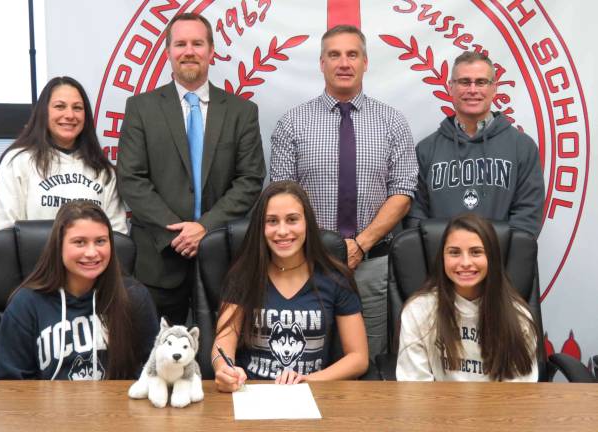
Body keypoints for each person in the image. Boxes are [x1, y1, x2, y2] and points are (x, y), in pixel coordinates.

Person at [270, 25, 418, 361]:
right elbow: (279, 198)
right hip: (306, 263)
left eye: (352, 54)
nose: (344, 62)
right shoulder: (292, 123)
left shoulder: (392, 122)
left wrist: (360, 245)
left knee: (369, 359)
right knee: (305, 358)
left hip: (371, 264)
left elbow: (403, 192)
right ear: (321, 63)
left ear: (366, 62)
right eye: (334, 55)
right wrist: (322, 249)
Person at [117, 13, 265, 325]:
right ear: (168, 52)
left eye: (197, 43)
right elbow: (131, 179)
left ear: (212, 51)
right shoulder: (140, 108)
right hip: (158, 259)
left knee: (222, 359)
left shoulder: (242, 112)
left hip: (224, 258)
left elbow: (250, 180)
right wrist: (177, 232)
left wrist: (204, 228)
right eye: (180, 43)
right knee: (157, 359)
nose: (189, 51)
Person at [213, 181, 369, 392]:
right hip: (251, 393)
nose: (283, 231)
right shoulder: (243, 276)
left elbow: (358, 358)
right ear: (261, 226)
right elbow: (223, 343)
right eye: (272, 221)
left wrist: (308, 380)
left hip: (313, 395)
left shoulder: (336, 279)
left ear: (307, 223)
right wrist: (224, 369)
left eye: (292, 220)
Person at [0, 201, 159, 380]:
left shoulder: (133, 296)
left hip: (117, 405)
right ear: (59, 245)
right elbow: (10, 385)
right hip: (45, 406)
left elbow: (155, 371)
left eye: (100, 241)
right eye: (79, 242)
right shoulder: (26, 304)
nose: (91, 252)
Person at [407, 51, 545, 237]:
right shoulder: (425, 150)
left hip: (501, 264)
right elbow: (416, 218)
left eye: (481, 82)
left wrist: (490, 258)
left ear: (494, 88)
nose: (473, 90)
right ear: (450, 87)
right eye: (464, 82)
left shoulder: (522, 147)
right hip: (441, 264)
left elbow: (527, 219)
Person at [396, 213, 538, 382]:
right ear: (442, 258)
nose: (465, 262)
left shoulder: (517, 317)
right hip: (436, 406)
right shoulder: (418, 310)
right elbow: (415, 388)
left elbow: (519, 394)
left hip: (498, 406)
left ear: (491, 258)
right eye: (454, 253)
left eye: (476, 252)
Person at [0, 76, 127, 234]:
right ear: (44, 112)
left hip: (91, 258)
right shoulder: (17, 162)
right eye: (60, 106)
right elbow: (3, 235)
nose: (70, 115)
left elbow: (117, 235)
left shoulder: (103, 171)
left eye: (77, 108)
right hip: (34, 259)